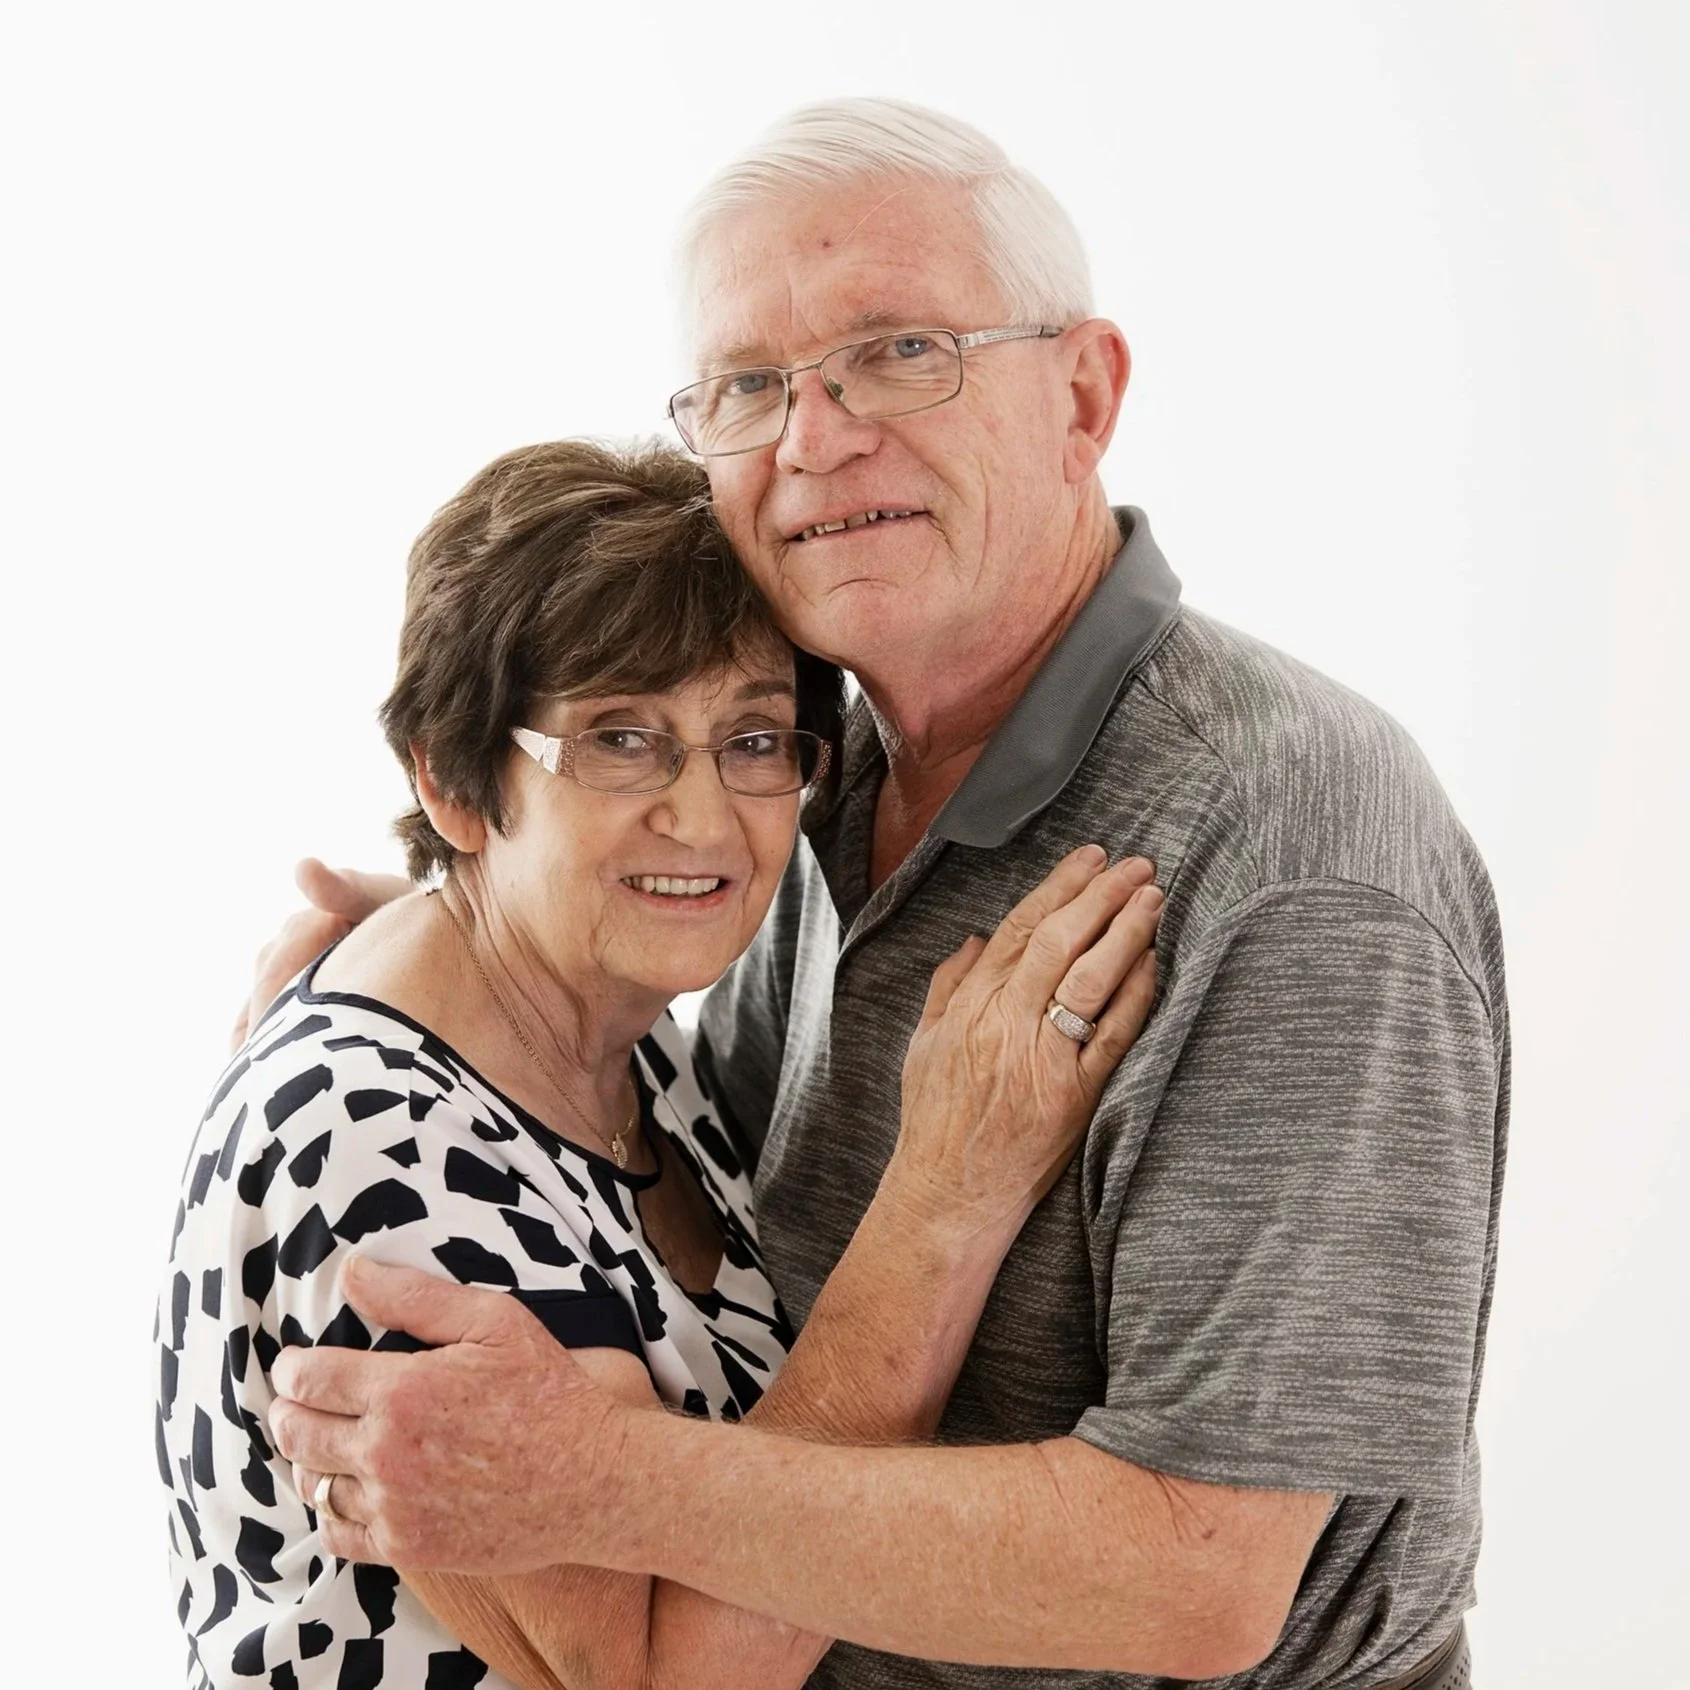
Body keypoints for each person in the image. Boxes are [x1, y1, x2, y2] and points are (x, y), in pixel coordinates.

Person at [259, 100, 1507, 1688]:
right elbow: (714, 1216)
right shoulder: (804, 762)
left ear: (1084, 393)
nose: (813, 437)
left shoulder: (1293, 855)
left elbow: (1193, 1575)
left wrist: (588, 1475)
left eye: (901, 350)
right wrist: (467, 965)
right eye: (746, 385)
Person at [161, 438, 1165, 1688]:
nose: (702, 818)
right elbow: (670, 1676)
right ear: (452, 778)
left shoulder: (612, 1033)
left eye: (752, 741)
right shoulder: (374, 1149)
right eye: (618, 740)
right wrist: (946, 1194)